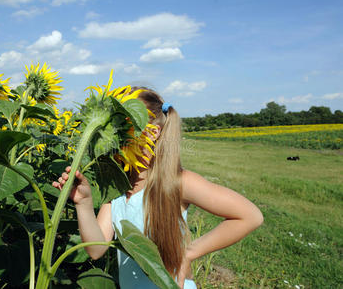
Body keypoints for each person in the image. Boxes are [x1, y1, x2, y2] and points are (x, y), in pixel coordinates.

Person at [53, 88, 264, 289]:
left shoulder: (178, 182)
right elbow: (96, 249)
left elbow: (250, 216)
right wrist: (83, 203)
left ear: (152, 133)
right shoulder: (117, 186)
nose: (112, 137)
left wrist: (188, 254)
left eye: (120, 128)